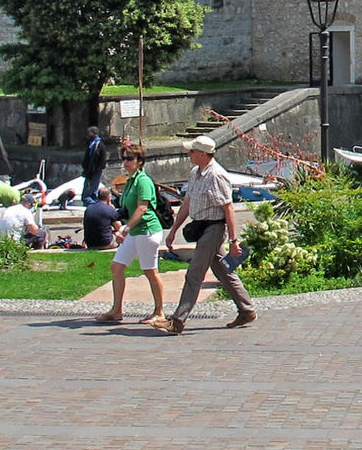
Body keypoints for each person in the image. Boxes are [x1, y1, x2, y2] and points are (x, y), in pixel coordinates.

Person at [163, 135, 255, 335]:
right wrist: (173, 231)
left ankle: (177, 320)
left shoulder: (217, 175)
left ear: (204, 154)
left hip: (214, 229)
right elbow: (187, 203)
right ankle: (246, 310)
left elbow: (228, 208)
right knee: (224, 271)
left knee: (194, 273)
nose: (189, 154)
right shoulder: (195, 172)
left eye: (192, 151)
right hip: (201, 227)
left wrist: (233, 240)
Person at [100, 142, 170, 328]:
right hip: (135, 231)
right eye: (123, 158)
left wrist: (125, 228)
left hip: (147, 230)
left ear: (140, 161)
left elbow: (142, 207)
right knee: (116, 266)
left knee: (150, 271)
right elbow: (127, 207)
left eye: (130, 158)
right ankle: (116, 310)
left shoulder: (143, 181)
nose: (125, 162)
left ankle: (160, 311)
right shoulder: (130, 180)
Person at [82, 183, 122, 251]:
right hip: (104, 244)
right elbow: (119, 226)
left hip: (90, 244)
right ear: (109, 198)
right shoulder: (109, 209)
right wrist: (113, 210)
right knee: (121, 231)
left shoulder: (89, 208)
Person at [81, 125, 109, 203]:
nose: (87, 135)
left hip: (95, 172)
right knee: (87, 193)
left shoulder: (99, 145)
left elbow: (102, 160)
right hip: (89, 172)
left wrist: (95, 170)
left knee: (88, 195)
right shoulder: (92, 144)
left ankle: (94, 205)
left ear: (95, 133)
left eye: (89, 133)